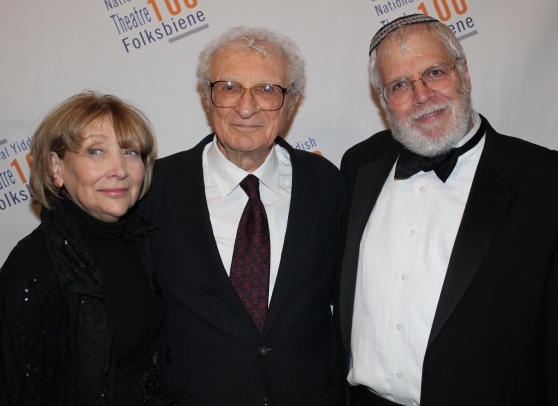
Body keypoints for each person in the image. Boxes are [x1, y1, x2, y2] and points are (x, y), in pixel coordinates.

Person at [335, 14, 558, 406]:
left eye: (435, 72)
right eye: (400, 84)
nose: (422, 95)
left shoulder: (557, 187)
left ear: (464, 72)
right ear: (383, 99)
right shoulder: (359, 165)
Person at [137, 27, 344, 405]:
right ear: (206, 96)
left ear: (292, 102)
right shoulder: (154, 187)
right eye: (229, 87)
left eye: (267, 90)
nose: (246, 108)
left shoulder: (328, 185)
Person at [0, 92, 169, 405]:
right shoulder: (33, 268)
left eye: (130, 151)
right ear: (56, 167)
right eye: (96, 151)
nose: (119, 169)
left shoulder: (140, 241)